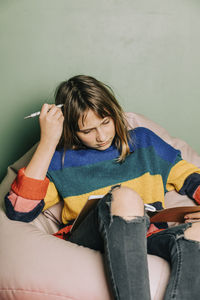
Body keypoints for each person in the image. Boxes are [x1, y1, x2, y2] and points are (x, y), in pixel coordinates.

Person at [5, 75, 200, 300]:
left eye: (106, 123)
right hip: (95, 237)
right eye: (87, 131)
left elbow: (190, 176)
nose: (101, 136)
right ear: (71, 129)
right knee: (125, 197)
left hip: (148, 235)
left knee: (197, 232)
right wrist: (48, 140)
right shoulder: (59, 159)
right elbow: (19, 210)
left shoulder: (144, 141)